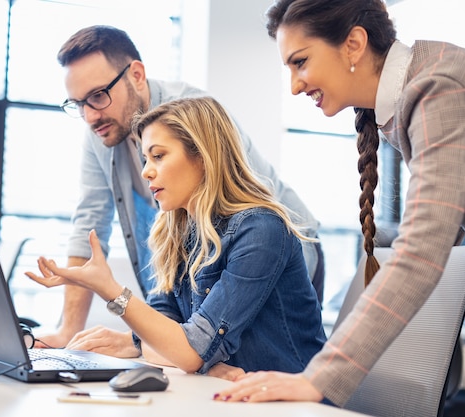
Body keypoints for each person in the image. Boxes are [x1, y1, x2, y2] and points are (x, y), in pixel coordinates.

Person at [214, 0, 465, 406]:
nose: (295, 85)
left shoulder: (438, 90)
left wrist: (319, 379)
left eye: (300, 62)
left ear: (353, 44)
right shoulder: (413, 95)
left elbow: (422, 252)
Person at [36, 25, 326, 350]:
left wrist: (197, 350)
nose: (89, 116)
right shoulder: (104, 135)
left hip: (282, 250)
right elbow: (88, 225)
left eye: (98, 96)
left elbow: (251, 217)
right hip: (207, 299)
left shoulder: (195, 115)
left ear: (136, 74)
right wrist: (68, 334)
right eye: (78, 104)